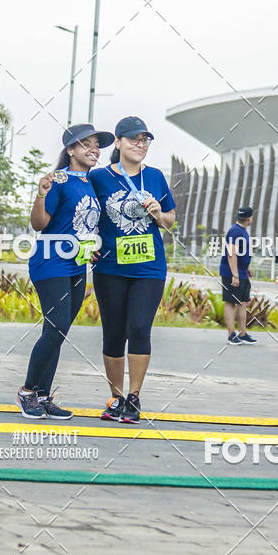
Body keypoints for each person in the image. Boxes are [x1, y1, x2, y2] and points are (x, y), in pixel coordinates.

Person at [16, 123, 114, 420]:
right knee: (56, 325)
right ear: (70, 150)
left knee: (59, 332)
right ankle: (27, 392)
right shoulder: (59, 179)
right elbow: (39, 224)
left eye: (96, 144)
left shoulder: (90, 183)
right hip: (50, 261)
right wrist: (40, 194)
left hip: (76, 264)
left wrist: (91, 246)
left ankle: (44, 396)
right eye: (86, 144)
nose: (94, 149)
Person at [89, 116, 176, 424]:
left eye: (145, 140)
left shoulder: (154, 176)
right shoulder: (98, 178)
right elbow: (85, 212)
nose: (140, 145)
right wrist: (86, 244)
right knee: (113, 333)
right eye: (134, 140)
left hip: (149, 267)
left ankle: (135, 397)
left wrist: (159, 214)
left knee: (139, 328)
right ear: (118, 141)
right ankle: (116, 396)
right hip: (110, 266)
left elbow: (170, 220)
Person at [219, 207, 256, 345]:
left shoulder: (242, 231)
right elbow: (231, 253)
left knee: (243, 301)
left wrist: (247, 267)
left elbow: (241, 253)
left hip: (241, 272)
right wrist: (235, 274)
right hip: (231, 273)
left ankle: (243, 333)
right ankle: (231, 334)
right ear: (249, 218)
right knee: (230, 301)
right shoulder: (235, 231)